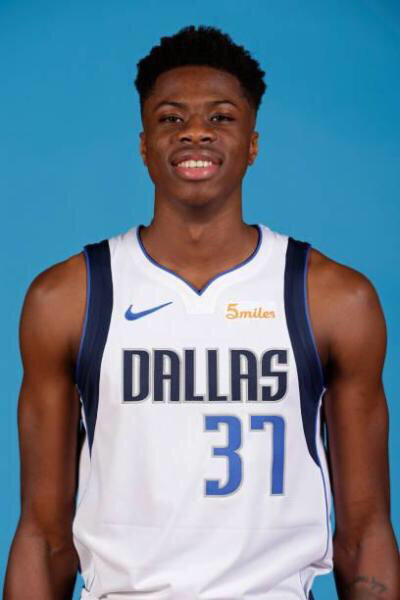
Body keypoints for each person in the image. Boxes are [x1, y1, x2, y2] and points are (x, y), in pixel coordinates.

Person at [4, 25, 399, 600]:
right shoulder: (70, 298)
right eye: (171, 118)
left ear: (253, 144)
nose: (195, 131)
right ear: (144, 146)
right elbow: (43, 537)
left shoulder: (332, 299)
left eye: (220, 117)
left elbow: (364, 533)